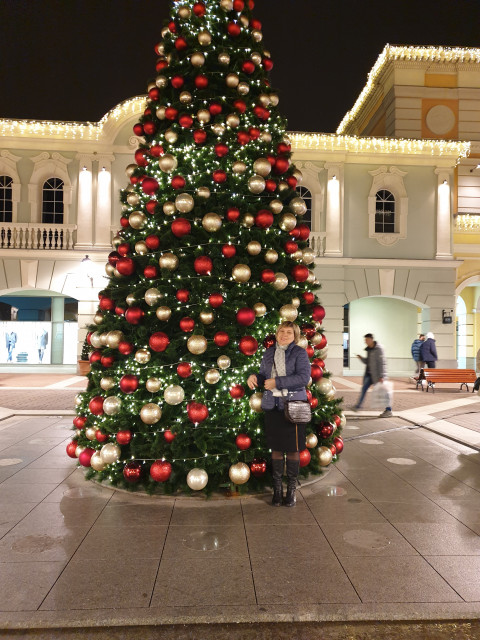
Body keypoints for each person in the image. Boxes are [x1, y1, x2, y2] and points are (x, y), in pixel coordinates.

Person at [247, 321, 311, 508]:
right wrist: (254, 377)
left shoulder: (299, 353)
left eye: (289, 332)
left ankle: (290, 491)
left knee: (292, 449)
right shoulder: (268, 353)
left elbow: (303, 378)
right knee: (276, 448)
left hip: (293, 407)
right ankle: (277, 491)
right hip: (272, 407)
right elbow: (263, 376)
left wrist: (278, 382)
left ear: (295, 336)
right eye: (281, 331)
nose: (284, 335)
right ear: (276, 333)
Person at [352, 333, 392, 417]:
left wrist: (382, 376)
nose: (365, 342)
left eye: (366, 340)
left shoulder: (379, 349)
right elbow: (368, 362)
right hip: (369, 375)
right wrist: (361, 358)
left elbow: (382, 363)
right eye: (365, 340)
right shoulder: (369, 350)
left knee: (383, 392)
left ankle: (388, 410)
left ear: (371, 339)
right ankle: (358, 406)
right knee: (363, 389)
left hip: (377, 376)